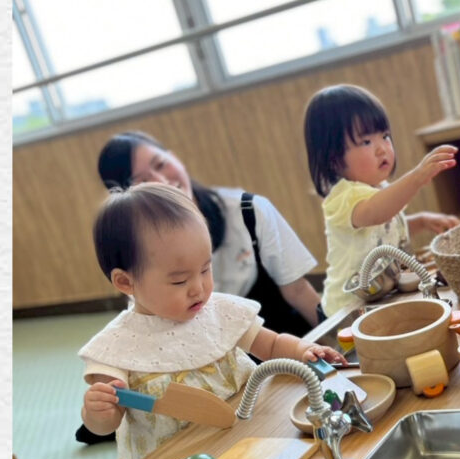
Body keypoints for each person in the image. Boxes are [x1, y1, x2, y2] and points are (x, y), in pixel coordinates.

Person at [79, 183, 343, 459]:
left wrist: (302, 349)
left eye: (205, 270)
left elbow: (270, 345)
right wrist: (98, 413)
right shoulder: (117, 346)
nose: (199, 288)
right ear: (126, 281)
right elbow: (106, 422)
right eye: (180, 280)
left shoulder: (218, 311)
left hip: (249, 437)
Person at [97, 131, 322, 334]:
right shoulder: (137, 258)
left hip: (287, 340)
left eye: (161, 164)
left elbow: (298, 290)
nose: (162, 181)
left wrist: (335, 343)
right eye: (143, 181)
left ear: (174, 157)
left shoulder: (248, 210)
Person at [302, 85, 460, 319]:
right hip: (346, 310)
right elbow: (376, 213)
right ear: (333, 159)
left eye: (385, 136)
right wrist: (417, 176)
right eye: (366, 142)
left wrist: (422, 221)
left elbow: (385, 229)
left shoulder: (380, 188)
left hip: (379, 296)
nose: (382, 149)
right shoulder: (341, 198)